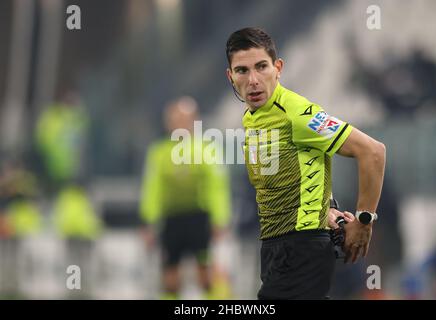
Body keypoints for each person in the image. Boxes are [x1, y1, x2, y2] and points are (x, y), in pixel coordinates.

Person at [225, 27, 386, 300]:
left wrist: (364, 219)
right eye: (242, 70)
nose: (253, 80)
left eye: (261, 67)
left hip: (300, 248)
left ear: (278, 68)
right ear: (231, 76)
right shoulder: (253, 117)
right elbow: (303, 170)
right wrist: (328, 210)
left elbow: (372, 152)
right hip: (275, 248)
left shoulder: (296, 113)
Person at [140, 96, 231, 300]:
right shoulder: (159, 152)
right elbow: (152, 189)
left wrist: (220, 218)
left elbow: (216, 187)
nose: (179, 123)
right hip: (172, 219)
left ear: (194, 121)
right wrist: (148, 221)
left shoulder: (206, 149)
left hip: (199, 219)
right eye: (174, 119)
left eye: (184, 118)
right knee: (170, 276)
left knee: (205, 273)